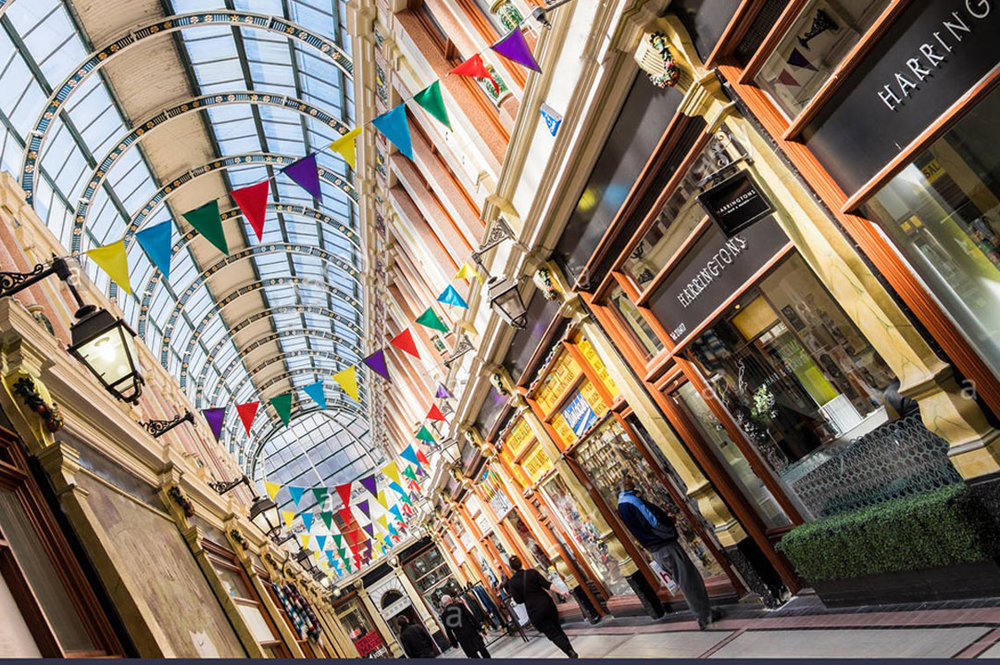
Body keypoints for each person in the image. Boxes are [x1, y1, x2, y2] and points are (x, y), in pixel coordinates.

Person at [617, 477, 723, 630]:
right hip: (665, 545)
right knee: (689, 580)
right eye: (630, 480)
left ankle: (704, 612)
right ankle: (704, 616)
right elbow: (653, 521)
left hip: (657, 549)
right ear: (626, 485)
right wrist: (668, 525)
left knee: (686, 579)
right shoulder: (632, 501)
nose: (633, 480)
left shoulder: (622, 505)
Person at [507, 556, 578, 658]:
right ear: (521, 563)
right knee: (558, 629)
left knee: (553, 634)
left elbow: (519, 600)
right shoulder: (532, 572)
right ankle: (571, 651)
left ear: (511, 568)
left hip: (535, 611)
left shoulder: (512, 582)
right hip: (547, 604)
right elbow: (547, 585)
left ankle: (570, 652)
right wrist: (561, 591)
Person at [440, 594, 490, 658]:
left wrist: (454, 643)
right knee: (482, 649)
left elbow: (448, 631)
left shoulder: (444, 615)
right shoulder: (460, 606)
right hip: (471, 632)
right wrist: (480, 628)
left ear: (443, 604)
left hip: (462, 637)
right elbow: (471, 617)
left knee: (473, 655)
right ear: (451, 600)